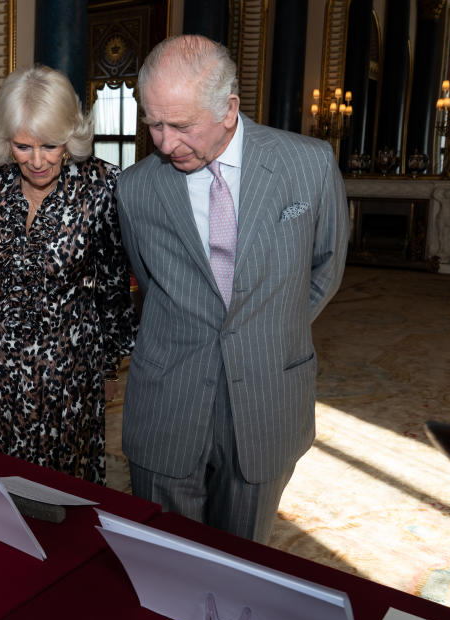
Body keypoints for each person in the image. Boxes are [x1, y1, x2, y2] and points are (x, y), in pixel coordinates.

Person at [116, 35, 349, 542]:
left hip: (268, 398)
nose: (163, 142)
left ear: (228, 110)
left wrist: (266, 329)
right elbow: (149, 282)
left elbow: (325, 268)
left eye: (180, 125)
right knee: (165, 563)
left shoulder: (307, 166)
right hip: (168, 400)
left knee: (245, 568)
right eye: (153, 123)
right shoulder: (135, 188)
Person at [0, 65, 136, 485]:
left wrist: (109, 368)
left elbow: (113, 286)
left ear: (71, 135)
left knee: (58, 489)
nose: (38, 160)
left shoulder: (100, 184)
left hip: (67, 368)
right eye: (23, 146)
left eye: (51, 145)